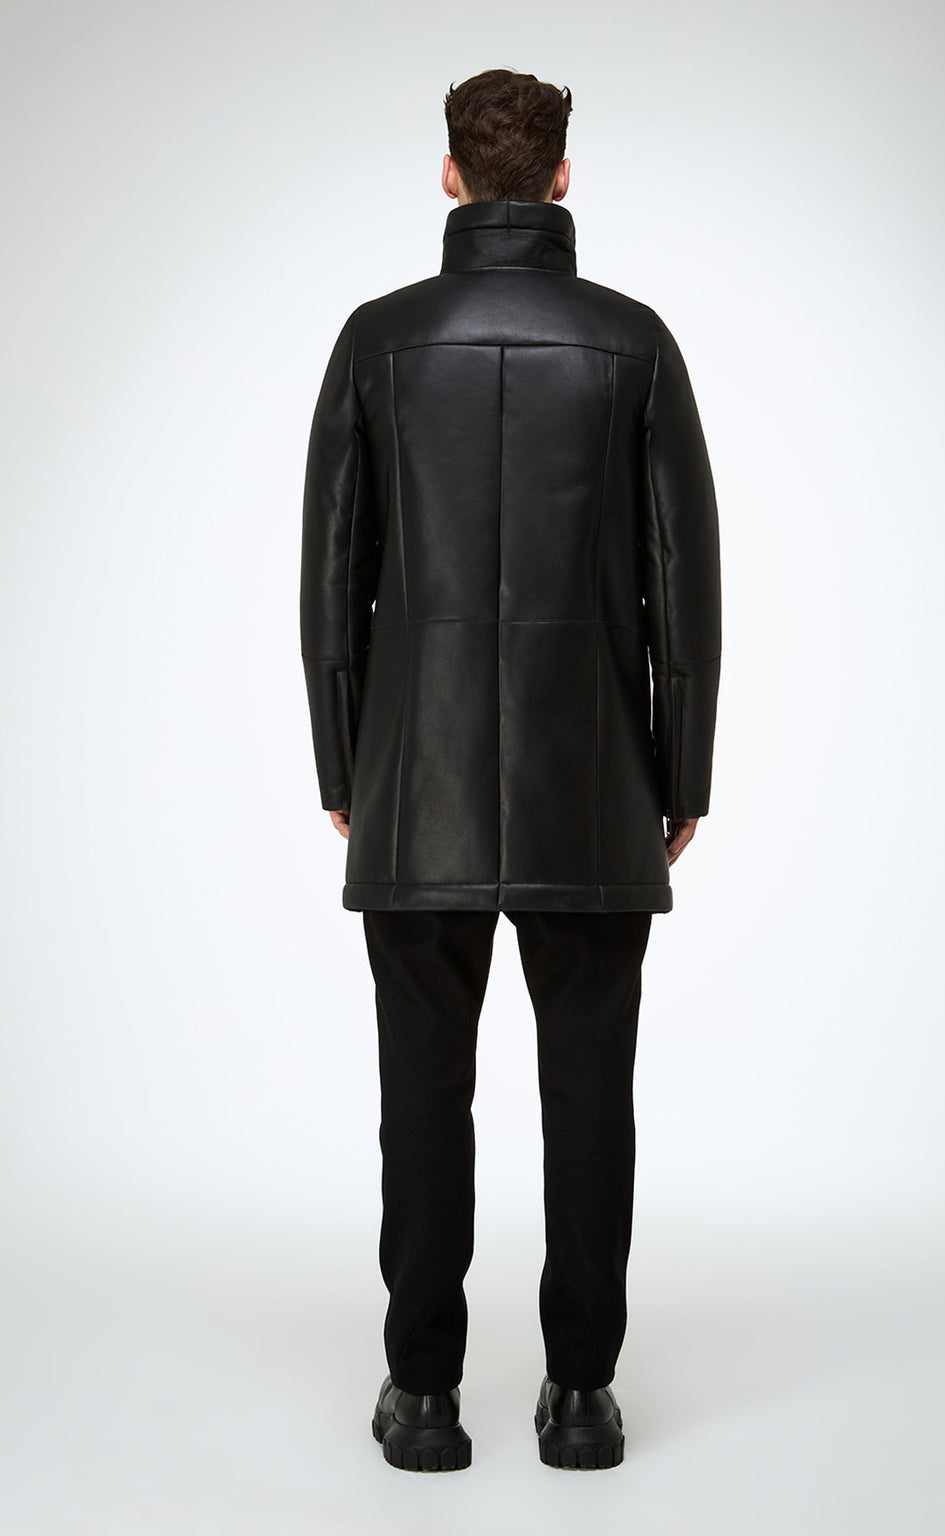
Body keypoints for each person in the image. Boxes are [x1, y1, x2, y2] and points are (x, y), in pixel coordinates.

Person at [299, 67, 722, 1474]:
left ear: (449, 174)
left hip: (412, 784)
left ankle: (423, 1397)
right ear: (559, 178)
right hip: (591, 785)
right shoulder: (632, 344)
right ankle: (583, 1397)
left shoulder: (379, 341)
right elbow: (686, 581)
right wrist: (682, 778)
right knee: (591, 1096)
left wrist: (345, 766)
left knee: (420, 1096)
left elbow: (330, 578)